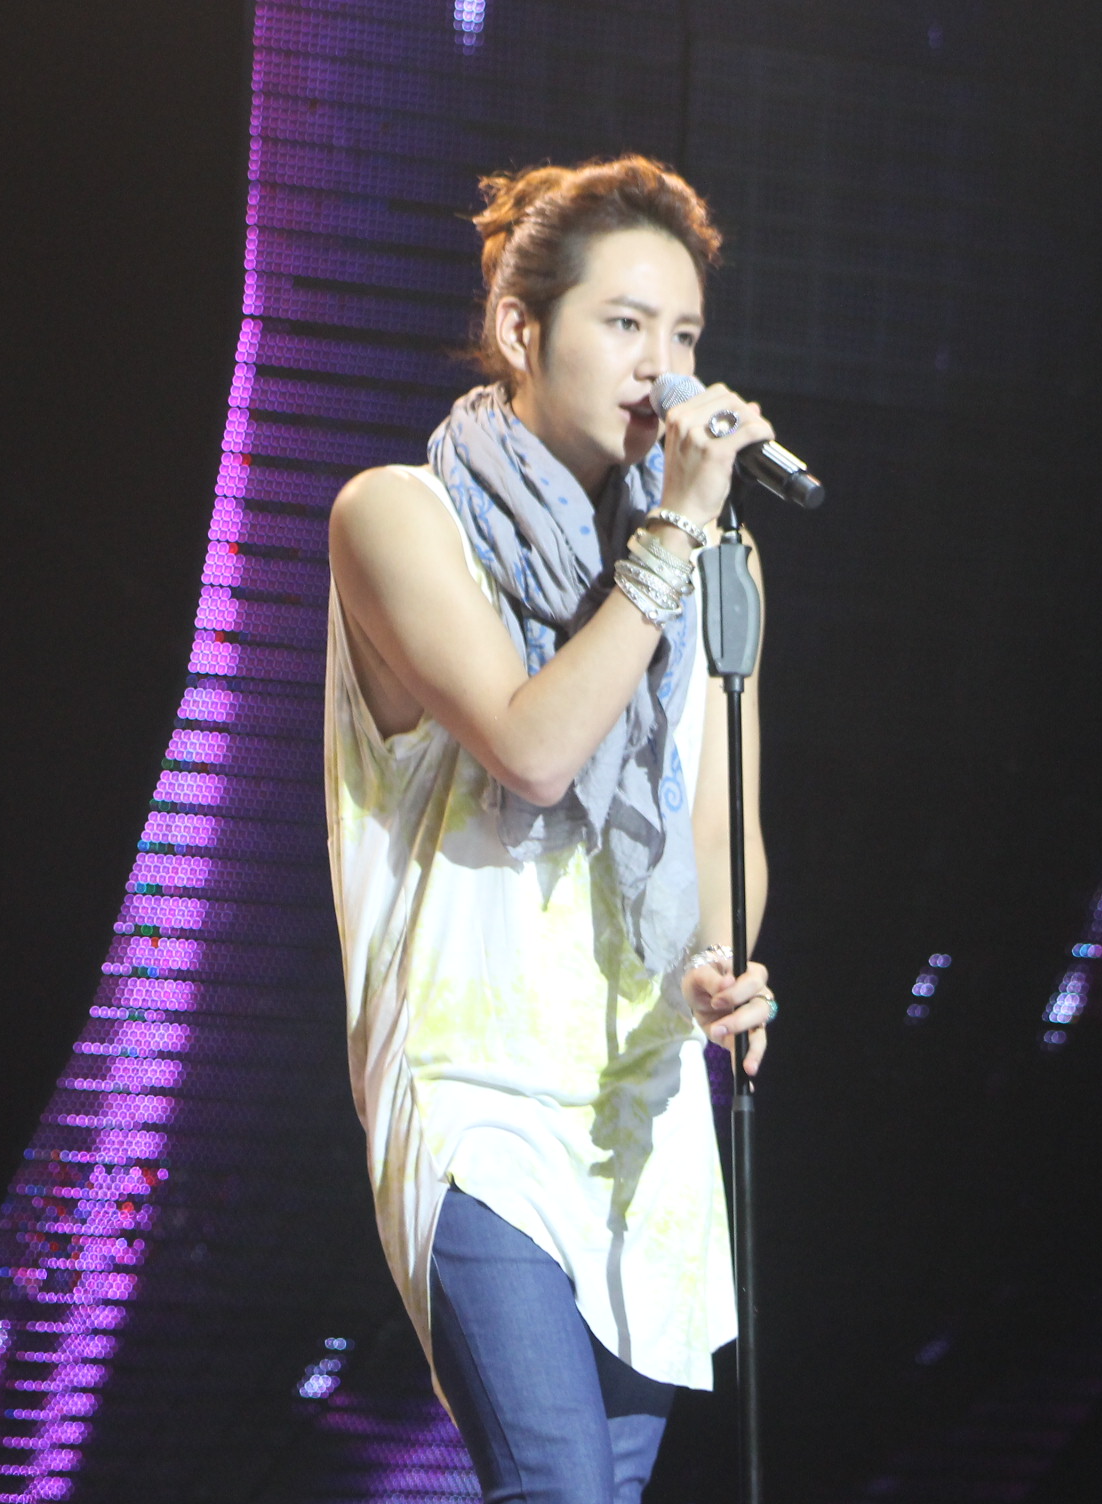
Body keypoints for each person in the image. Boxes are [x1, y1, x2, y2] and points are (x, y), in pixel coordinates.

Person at [324, 155, 778, 1504]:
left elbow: (721, 824)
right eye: (626, 324)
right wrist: (674, 536)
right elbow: (530, 750)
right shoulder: (399, 517)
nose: (664, 369)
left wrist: (720, 965)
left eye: (685, 334)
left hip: (638, 1108)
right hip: (476, 1101)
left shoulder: (714, 568)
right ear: (523, 330)